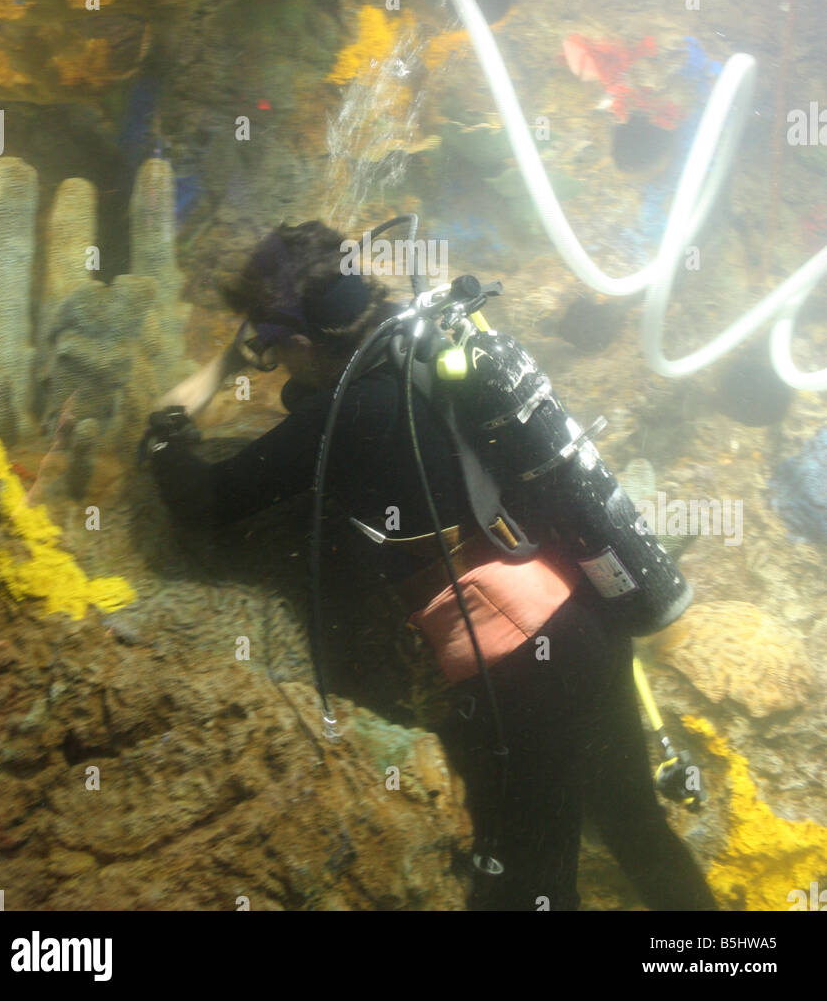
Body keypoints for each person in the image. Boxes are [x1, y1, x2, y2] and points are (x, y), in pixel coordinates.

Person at [141, 220, 717, 912]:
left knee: (526, 890)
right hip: (587, 624)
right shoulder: (429, 347)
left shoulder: (354, 406)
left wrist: (186, 408)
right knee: (636, 830)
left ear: (295, 339)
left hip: (524, 667)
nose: (279, 367)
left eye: (276, 349)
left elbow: (205, 501)